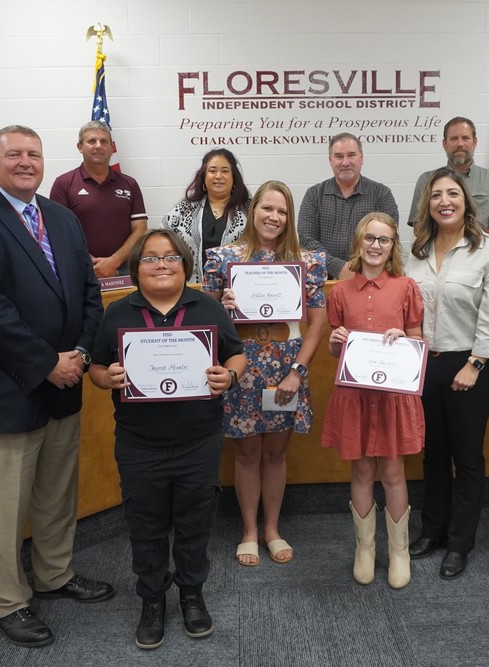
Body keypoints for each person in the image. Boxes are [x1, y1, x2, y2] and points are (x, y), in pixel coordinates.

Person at [0, 125, 111, 649]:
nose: (25, 162)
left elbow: (87, 290)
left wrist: (80, 353)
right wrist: (44, 363)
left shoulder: (59, 217)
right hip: (4, 386)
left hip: (65, 381)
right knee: (2, 505)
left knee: (57, 491)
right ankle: (8, 600)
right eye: (13, 154)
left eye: (33, 154)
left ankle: (54, 574)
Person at [89, 230, 246, 650]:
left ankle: (192, 595)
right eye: (150, 258)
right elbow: (97, 368)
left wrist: (228, 376)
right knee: (146, 526)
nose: (161, 264)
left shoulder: (207, 307)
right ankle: (152, 600)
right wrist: (110, 377)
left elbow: (237, 354)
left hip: (199, 441)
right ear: (135, 267)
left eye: (171, 257)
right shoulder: (118, 313)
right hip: (140, 445)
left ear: (186, 265)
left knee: (196, 524)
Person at [204, 181, 328, 566]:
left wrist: (298, 372)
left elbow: (318, 322)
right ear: (253, 210)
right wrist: (221, 306)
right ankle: (249, 531)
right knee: (246, 453)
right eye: (267, 209)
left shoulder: (308, 261)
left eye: (282, 211)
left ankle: (272, 529)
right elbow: (205, 320)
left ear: (289, 218)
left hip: (286, 368)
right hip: (241, 365)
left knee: (275, 453)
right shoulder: (223, 259)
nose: (274, 217)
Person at [404, 167, 489, 581]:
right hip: (423, 364)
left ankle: (459, 542)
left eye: (453, 193)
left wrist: (476, 364)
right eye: (436, 195)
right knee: (432, 454)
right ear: (427, 204)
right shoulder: (414, 251)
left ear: (466, 201)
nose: (444, 201)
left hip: (471, 365)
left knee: (466, 457)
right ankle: (431, 532)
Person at [322, 212, 425, 589]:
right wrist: (336, 344)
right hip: (355, 396)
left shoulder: (406, 287)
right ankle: (365, 548)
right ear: (358, 242)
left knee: (394, 472)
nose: (376, 245)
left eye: (384, 240)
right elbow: (337, 351)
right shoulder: (340, 291)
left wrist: (406, 338)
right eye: (370, 238)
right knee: (362, 471)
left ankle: (399, 552)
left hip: (393, 396)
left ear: (393, 246)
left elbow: (418, 346)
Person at [49, 120, 148, 277]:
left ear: (111, 147)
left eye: (104, 141)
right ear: (80, 147)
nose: (98, 145)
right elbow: (58, 232)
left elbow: (140, 229)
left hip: (123, 270)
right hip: (80, 269)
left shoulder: (129, 184)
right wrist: (92, 265)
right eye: (91, 141)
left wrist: (113, 262)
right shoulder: (63, 183)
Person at [298, 133, 400, 279]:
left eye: (351, 155)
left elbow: (388, 238)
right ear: (330, 160)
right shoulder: (314, 195)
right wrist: (338, 267)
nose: (345, 162)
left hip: (370, 280)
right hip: (323, 283)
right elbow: (306, 239)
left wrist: (359, 271)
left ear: (361, 158)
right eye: (339, 156)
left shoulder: (381, 194)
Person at [408, 116, 489, 242]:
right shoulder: (426, 180)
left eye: (465, 138)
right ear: (444, 144)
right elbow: (419, 226)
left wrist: (475, 249)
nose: (460, 144)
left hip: (481, 254)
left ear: (474, 142)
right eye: (453, 139)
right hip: (441, 254)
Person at [162, 148, 251, 284]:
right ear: (204, 176)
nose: (218, 176)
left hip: (237, 290)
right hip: (192, 290)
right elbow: (163, 241)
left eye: (225, 171)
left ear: (234, 177)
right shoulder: (184, 209)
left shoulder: (250, 210)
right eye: (212, 170)